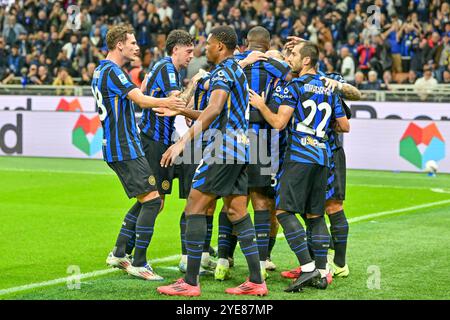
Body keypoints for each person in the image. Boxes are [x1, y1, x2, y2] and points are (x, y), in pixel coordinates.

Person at [157, 26, 267, 297]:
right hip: (240, 150)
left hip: (222, 149)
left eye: (208, 43)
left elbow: (215, 108)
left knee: (194, 206)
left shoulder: (223, 71)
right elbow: (216, 111)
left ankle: (190, 281)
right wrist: (183, 110)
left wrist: (182, 142)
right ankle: (256, 279)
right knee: (237, 212)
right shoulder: (235, 70)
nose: (204, 48)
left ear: (220, 46)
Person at [249, 42, 350, 292]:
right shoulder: (329, 87)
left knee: (283, 212)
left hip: (299, 157)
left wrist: (261, 106)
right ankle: (323, 272)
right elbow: (345, 125)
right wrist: (320, 129)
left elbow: (279, 123)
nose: (289, 58)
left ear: (306, 61)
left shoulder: (295, 85)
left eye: (293, 55)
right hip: (322, 158)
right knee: (315, 216)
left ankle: (307, 268)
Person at [92, 25, 184, 281]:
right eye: (132, 43)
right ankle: (140, 262)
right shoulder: (112, 71)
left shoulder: (100, 69)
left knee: (147, 199)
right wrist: (168, 101)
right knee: (154, 201)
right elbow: (141, 100)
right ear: (119, 44)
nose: (136, 47)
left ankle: (120, 251)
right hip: (124, 147)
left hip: (119, 145)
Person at [229, 26, 290, 281]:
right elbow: (296, 78)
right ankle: (263, 260)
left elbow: (209, 81)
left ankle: (224, 258)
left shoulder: (232, 63)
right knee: (262, 200)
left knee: (229, 200)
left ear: (245, 43)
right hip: (262, 140)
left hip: (229, 139)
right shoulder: (277, 68)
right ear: (268, 44)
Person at [139, 29, 194, 211]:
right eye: (188, 51)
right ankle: (130, 239)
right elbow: (177, 102)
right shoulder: (168, 69)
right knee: (155, 201)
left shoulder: (162, 66)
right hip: (155, 140)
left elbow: (145, 86)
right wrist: (194, 83)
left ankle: (130, 238)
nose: (191, 56)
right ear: (175, 49)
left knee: (155, 200)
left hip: (161, 138)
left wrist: (186, 111)